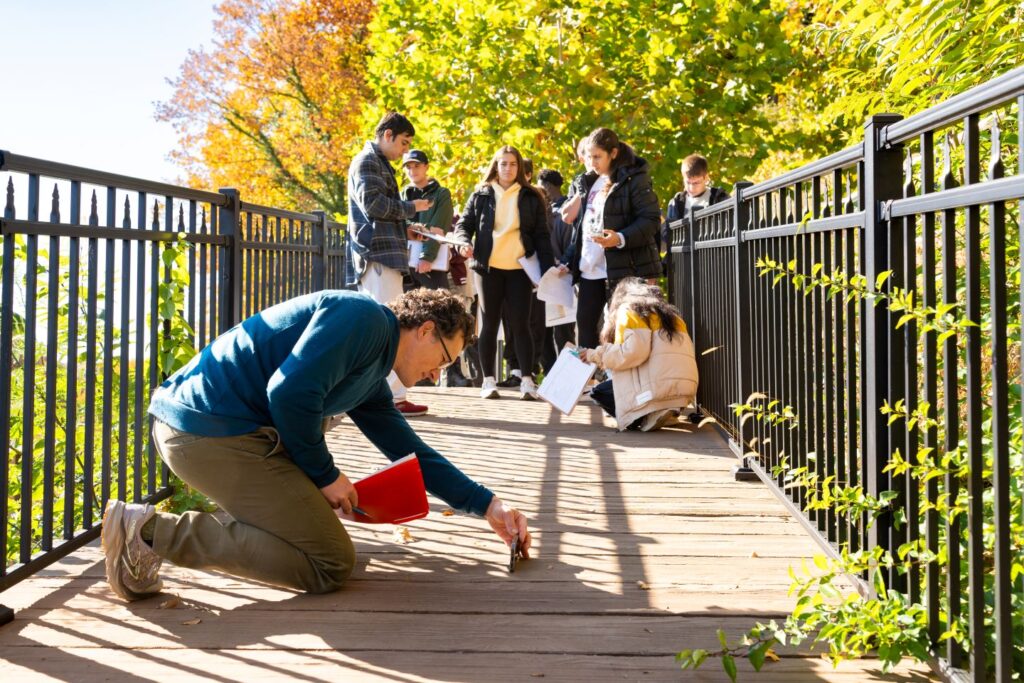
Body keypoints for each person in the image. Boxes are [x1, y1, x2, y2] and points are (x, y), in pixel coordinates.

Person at [100, 288, 532, 601]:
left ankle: (167, 531)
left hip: (220, 434)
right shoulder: (362, 319)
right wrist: (324, 476)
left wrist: (488, 505)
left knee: (316, 535)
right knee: (330, 561)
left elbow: (410, 452)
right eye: (444, 359)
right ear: (424, 329)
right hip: (204, 433)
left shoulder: (373, 365)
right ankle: (150, 533)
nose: (438, 375)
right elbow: (289, 393)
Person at [345, 111, 432, 417]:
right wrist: (412, 208)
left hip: (383, 254)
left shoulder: (376, 162)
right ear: (387, 135)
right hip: (377, 256)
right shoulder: (368, 161)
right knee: (388, 328)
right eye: (403, 143)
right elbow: (374, 205)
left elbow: (377, 211)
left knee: (386, 327)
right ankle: (390, 399)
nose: (404, 151)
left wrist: (404, 228)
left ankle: (386, 396)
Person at [454, 145, 555, 400]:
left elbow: (542, 236)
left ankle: (527, 380)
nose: (508, 168)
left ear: (520, 168)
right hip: (488, 268)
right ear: (495, 166)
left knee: (522, 326)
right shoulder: (481, 194)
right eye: (503, 163)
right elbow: (464, 225)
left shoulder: (532, 197)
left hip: (520, 269)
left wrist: (547, 271)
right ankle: (488, 381)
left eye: (513, 164)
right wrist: (464, 241)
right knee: (489, 324)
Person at [563, 128, 662, 349]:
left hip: (623, 266)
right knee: (585, 324)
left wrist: (620, 238)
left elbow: (651, 219)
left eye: (597, 156)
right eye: (589, 156)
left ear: (613, 153)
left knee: (621, 326)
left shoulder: (635, 178)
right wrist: (569, 259)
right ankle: (588, 380)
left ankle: (616, 380)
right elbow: (581, 225)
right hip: (590, 266)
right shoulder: (588, 182)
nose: (592, 162)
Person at [579, 278, 698, 432]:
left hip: (657, 389)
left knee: (599, 392)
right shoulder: (669, 313)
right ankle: (668, 408)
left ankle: (649, 412)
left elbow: (631, 353)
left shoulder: (629, 310)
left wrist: (595, 355)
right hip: (685, 389)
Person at [661, 153, 730, 272]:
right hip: (684, 265)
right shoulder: (677, 202)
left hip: (715, 263)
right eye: (688, 182)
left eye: (696, 183)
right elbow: (669, 237)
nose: (691, 188)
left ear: (706, 177)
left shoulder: (719, 198)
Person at [537, 168, 576, 372]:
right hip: (542, 281)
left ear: (548, 187)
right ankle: (551, 374)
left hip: (560, 279)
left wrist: (559, 263)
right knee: (542, 331)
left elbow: (568, 245)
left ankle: (566, 373)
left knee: (563, 332)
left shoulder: (563, 215)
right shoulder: (542, 214)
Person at [401, 149, 454, 291]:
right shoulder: (401, 195)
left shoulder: (441, 194)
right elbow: (400, 224)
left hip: (431, 262)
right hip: (405, 263)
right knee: (405, 310)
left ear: (426, 167)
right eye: (408, 167)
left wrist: (426, 257)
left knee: (440, 308)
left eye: (416, 166)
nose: (412, 171)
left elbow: (438, 227)